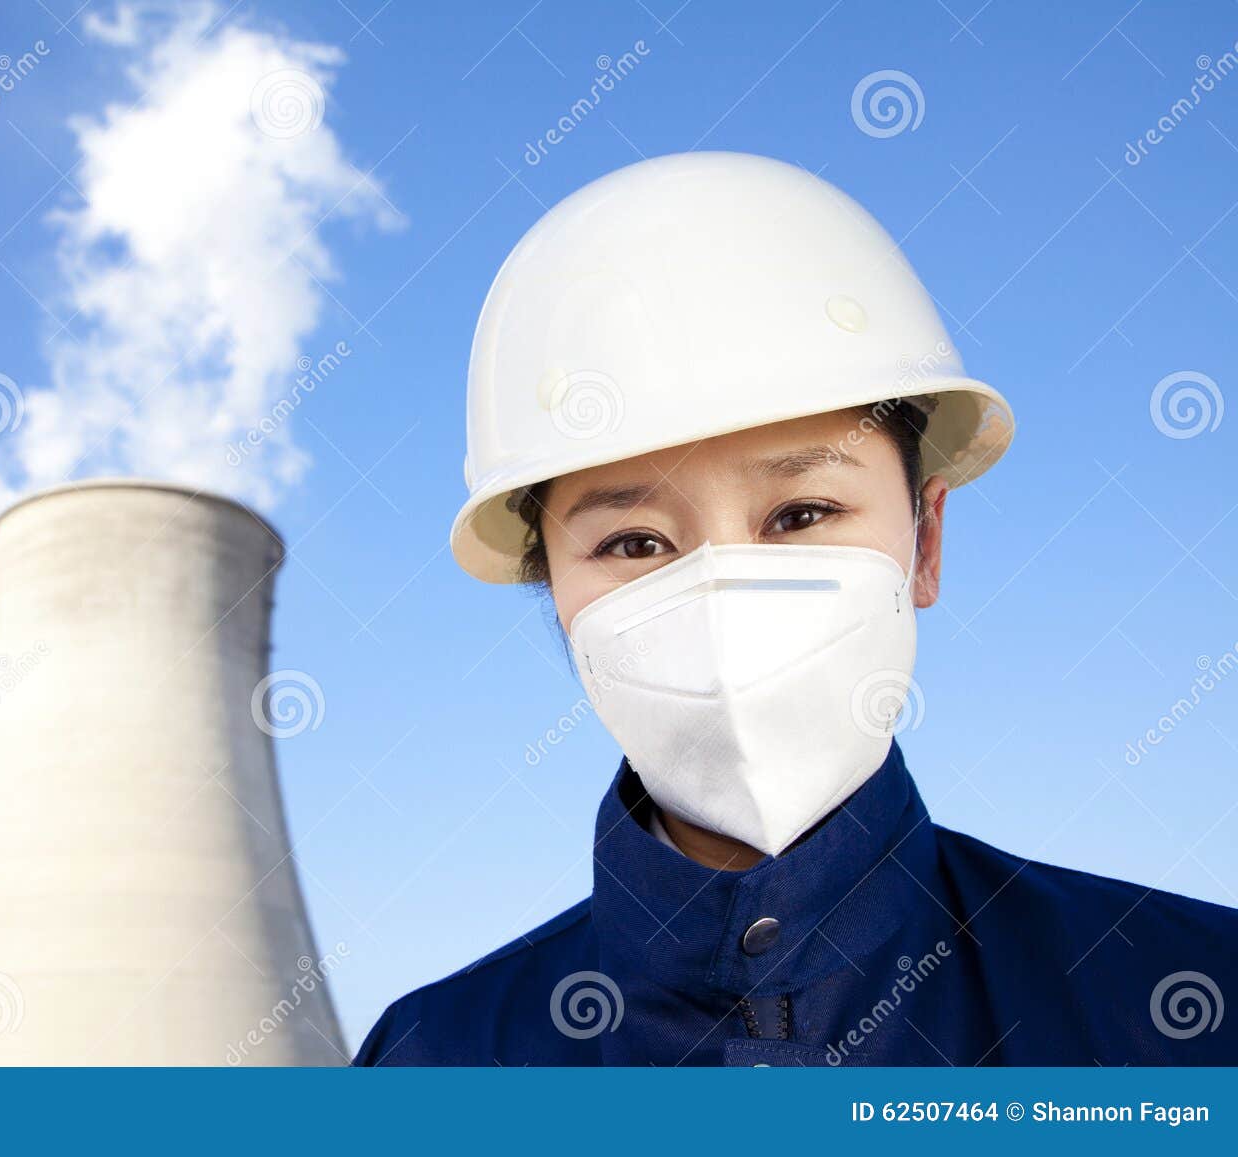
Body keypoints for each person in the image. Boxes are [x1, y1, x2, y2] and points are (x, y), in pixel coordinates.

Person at [353, 152, 1238, 1067]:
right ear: (555, 593)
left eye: (801, 514)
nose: (720, 597)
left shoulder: (1190, 1003)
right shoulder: (432, 1062)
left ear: (925, 543)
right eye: (635, 545)